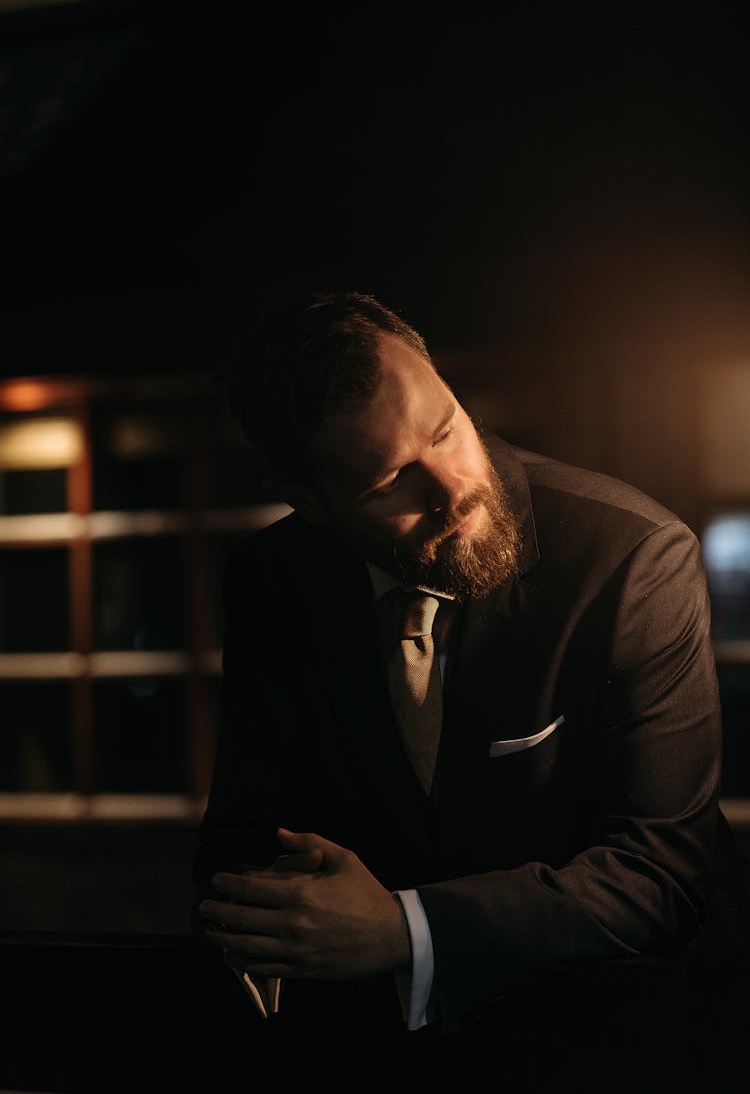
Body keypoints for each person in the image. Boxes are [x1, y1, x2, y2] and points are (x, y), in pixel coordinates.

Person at [192, 291, 750, 1091]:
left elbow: (663, 874)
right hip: (383, 1060)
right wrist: (264, 923)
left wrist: (405, 929)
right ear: (310, 503)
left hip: (641, 1039)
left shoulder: (631, 558)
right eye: (391, 480)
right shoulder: (270, 582)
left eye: (447, 428)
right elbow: (244, 838)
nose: (453, 489)